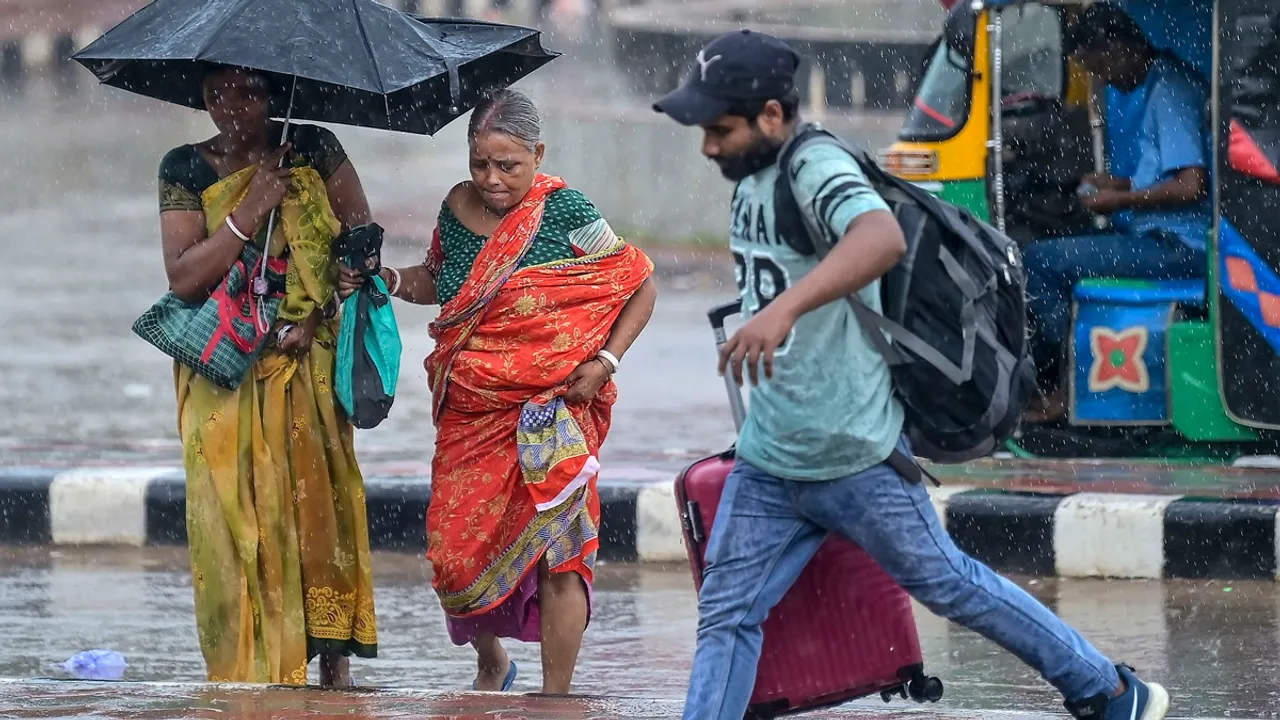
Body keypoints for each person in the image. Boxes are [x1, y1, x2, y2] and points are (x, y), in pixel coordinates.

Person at [654, 29, 1169, 720]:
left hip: (852, 454)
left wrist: (783, 311)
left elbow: (880, 238)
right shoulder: (752, 179)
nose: (709, 146)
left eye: (721, 128)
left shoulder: (817, 166)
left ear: (772, 116)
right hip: (771, 458)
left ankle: (1106, 689)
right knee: (727, 613)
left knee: (951, 584)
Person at [338, 88, 657, 694]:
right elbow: (440, 279)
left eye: (507, 165)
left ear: (537, 154)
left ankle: (554, 697)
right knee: (454, 558)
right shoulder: (456, 207)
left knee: (562, 552)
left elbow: (638, 282)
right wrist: (386, 278)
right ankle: (493, 661)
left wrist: (607, 361)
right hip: (472, 411)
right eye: (479, 163)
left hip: (555, 408)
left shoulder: (567, 213)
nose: (491, 179)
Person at [157, 65, 378, 686]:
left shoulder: (311, 147)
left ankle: (331, 668)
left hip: (303, 363)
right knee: (229, 517)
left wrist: (317, 310)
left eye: (250, 91)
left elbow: (361, 243)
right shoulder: (184, 167)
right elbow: (183, 278)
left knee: (317, 510)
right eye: (217, 92)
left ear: (274, 93)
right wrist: (250, 208)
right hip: (222, 372)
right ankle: (246, 673)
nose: (233, 105)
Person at [1023, 3, 1211, 421]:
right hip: (1156, 236)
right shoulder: (1151, 83)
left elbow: (1191, 185)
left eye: (1102, 67)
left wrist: (1119, 201)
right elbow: (1160, 175)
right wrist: (1115, 185)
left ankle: (1059, 390)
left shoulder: (1171, 91)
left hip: (1180, 246)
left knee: (1039, 261)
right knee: (1047, 253)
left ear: (1121, 46)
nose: (1102, 79)